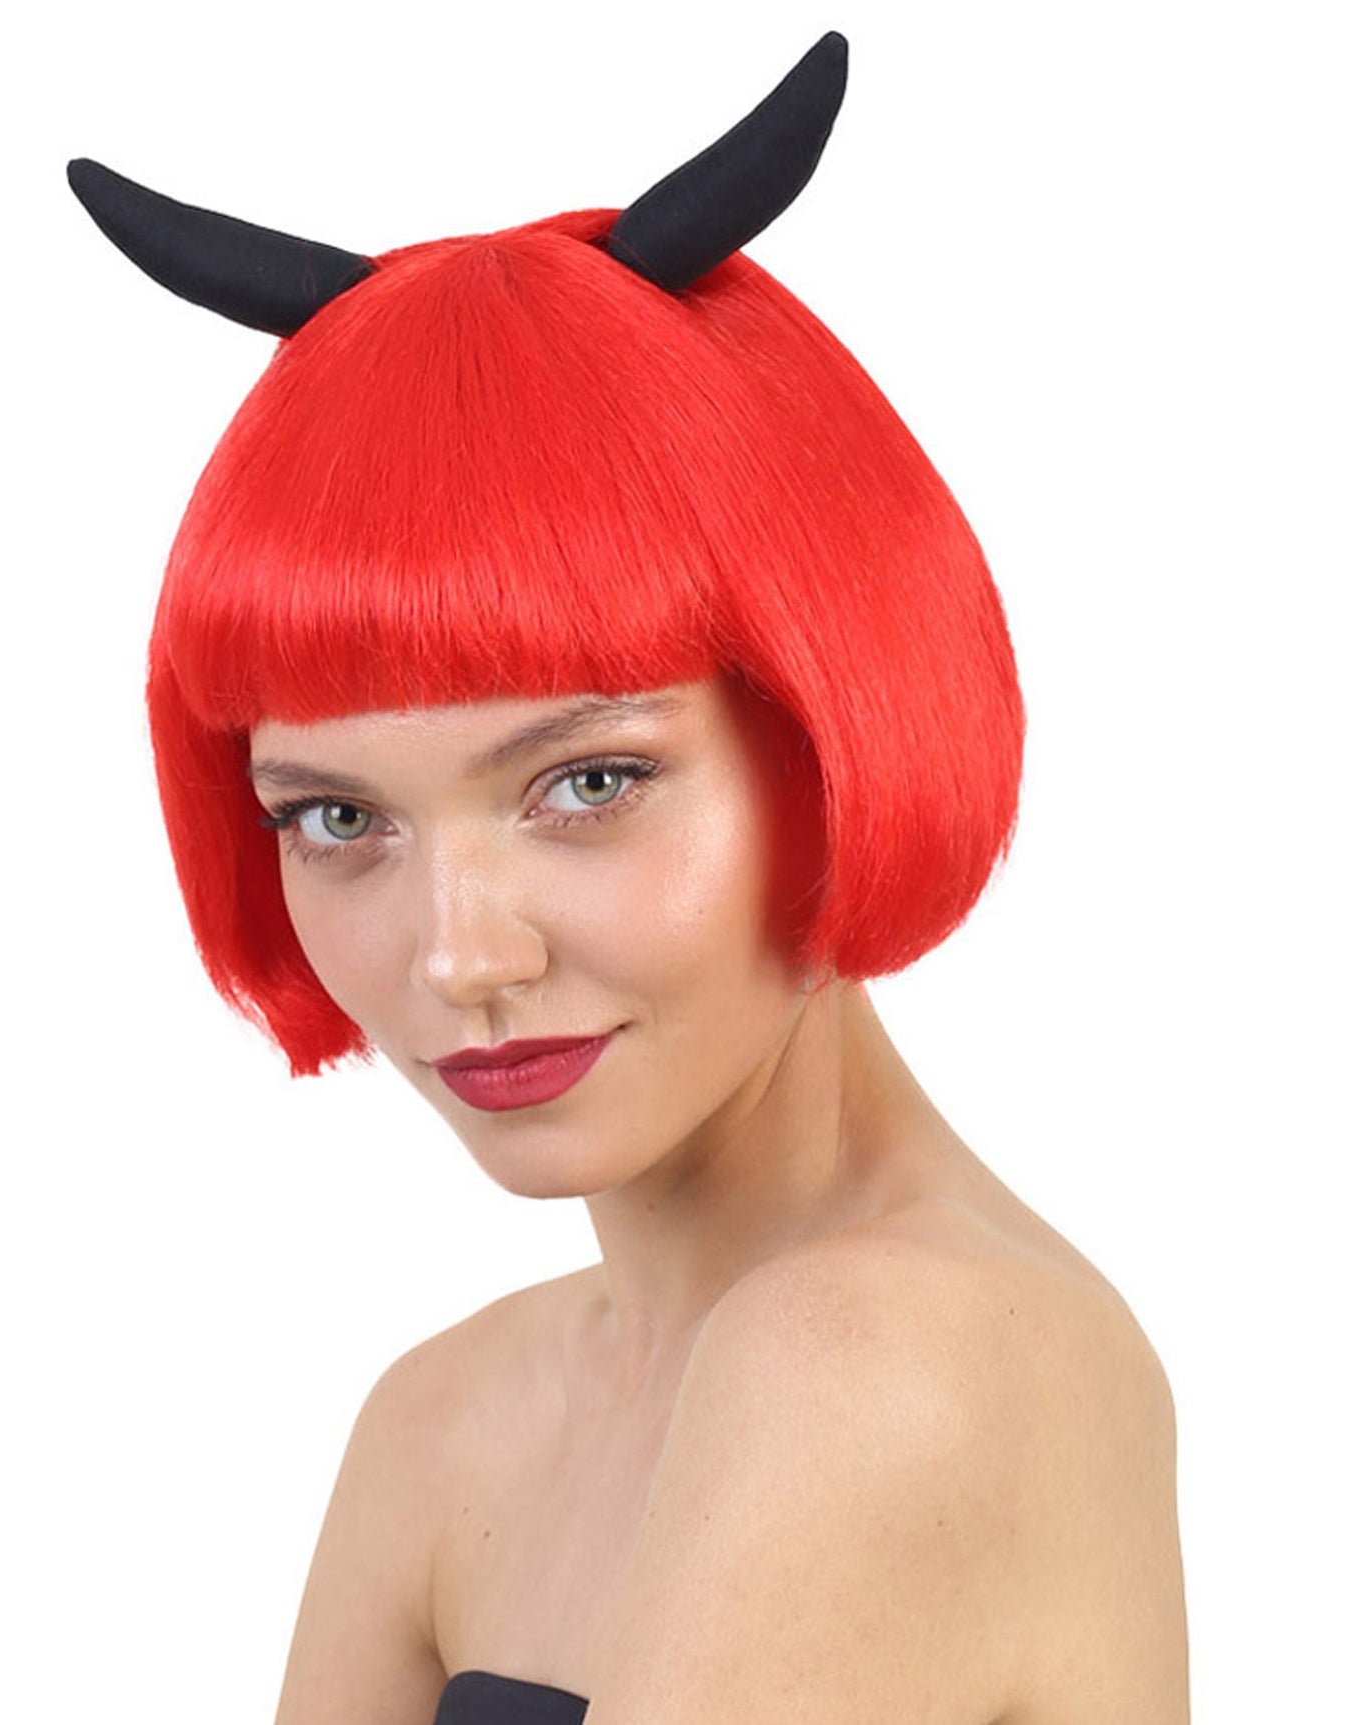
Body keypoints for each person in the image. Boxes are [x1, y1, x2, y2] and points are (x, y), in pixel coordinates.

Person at [68, 31, 1189, 1725]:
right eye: (340, 818)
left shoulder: (897, 1361)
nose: (461, 956)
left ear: (834, 725)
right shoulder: (447, 1416)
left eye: (586, 783)